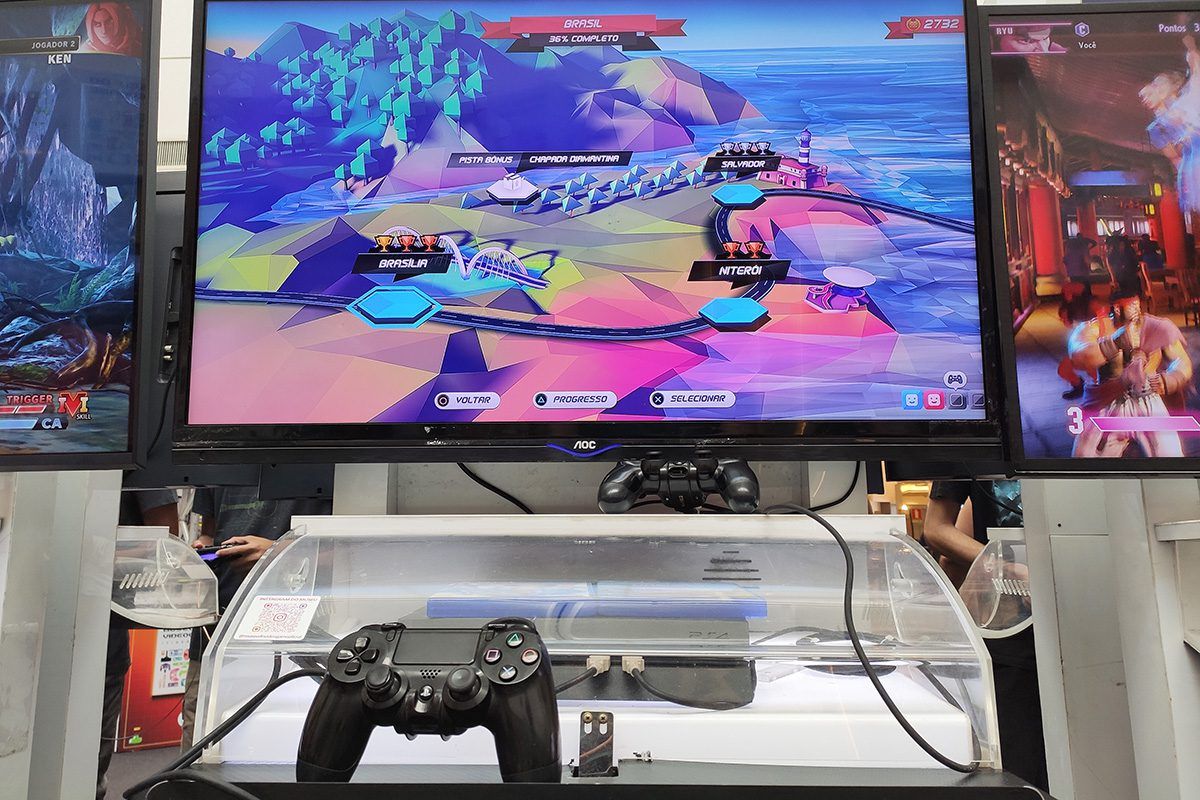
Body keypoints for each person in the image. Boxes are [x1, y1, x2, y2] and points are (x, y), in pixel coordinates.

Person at [179, 485, 331, 748]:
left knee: (289, 735)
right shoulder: (210, 462)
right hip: (219, 625)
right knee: (201, 739)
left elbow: (350, 544)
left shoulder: (326, 465)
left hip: (299, 628)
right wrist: (203, 549)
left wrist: (278, 552)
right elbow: (209, 532)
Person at [925, 480, 1048, 792]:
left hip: (1090, 620)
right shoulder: (967, 450)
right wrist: (1007, 568)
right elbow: (937, 528)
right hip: (1011, 632)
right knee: (1022, 766)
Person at [97, 488, 180, 800]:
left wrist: (97, 551)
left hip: (102, 636)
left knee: (87, 767)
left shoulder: (143, 472)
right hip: (34, 629)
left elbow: (165, 543)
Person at [1067, 286, 1193, 458]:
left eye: (1137, 304)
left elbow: (1182, 361)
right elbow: (1078, 356)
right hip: (1108, 402)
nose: (1137, 310)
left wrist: (1172, 379)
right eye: (1131, 305)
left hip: (1147, 401)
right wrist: (1113, 344)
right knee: (1085, 458)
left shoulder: (1156, 327)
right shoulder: (1096, 328)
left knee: (1170, 456)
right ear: (1117, 308)